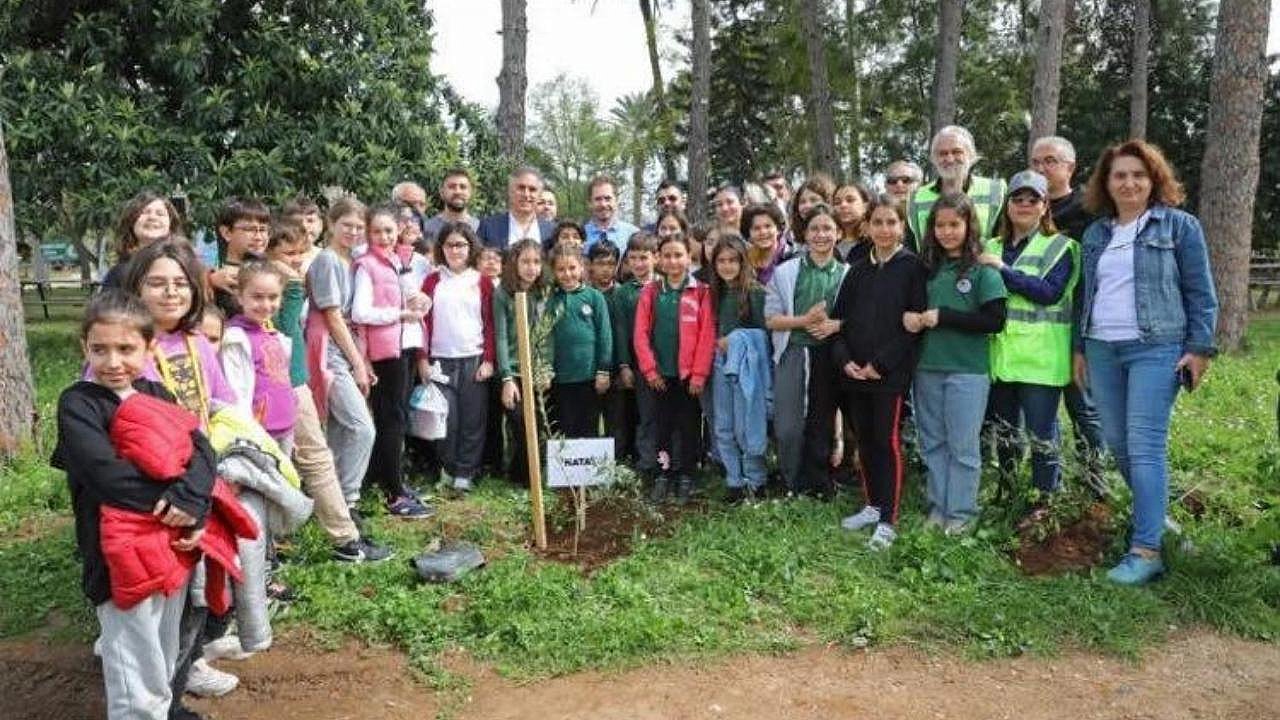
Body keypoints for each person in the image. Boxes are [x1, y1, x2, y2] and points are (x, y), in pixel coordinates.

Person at [56, 291, 218, 720]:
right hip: (116, 555)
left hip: (170, 546)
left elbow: (200, 451)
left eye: (126, 349)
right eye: (99, 349)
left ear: (149, 348)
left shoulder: (157, 392)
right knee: (132, 660)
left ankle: (162, 711)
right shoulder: (79, 403)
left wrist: (195, 503)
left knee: (163, 648)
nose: (112, 362)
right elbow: (105, 476)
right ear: (84, 347)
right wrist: (174, 504)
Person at [1073, 139, 1218, 585]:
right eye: (1120, 175)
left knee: (1145, 444)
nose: (1129, 182)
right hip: (1102, 348)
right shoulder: (1097, 233)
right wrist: (1079, 347)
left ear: (1154, 179)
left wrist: (1199, 347)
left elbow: (1201, 291)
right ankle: (1159, 522)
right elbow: (1085, 294)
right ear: (1107, 183)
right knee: (1116, 441)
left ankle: (1146, 549)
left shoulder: (1178, 226)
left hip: (1156, 347)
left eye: (1138, 174)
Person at [121, 239, 241, 710]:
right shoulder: (125, 344)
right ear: (136, 287)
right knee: (157, 603)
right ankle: (156, 697)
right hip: (152, 496)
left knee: (199, 597)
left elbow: (223, 405)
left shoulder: (197, 344)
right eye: (156, 283)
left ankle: (178, 683)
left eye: (180, 283)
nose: (170, 293)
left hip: (201, 483)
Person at [265, 220, 389, 563]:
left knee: (313, 454)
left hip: (295, 375)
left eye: (299, 253)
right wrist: (357, 362)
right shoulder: (287, 280)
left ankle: (342, 531)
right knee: (286, 460)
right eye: (287, 253)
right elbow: (313, 317)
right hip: (283, 378)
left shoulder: (301, 275)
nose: (295, 260)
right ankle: (333, 524)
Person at [903, 193, 1007, 534]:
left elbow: (994, 320)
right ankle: (939, 507)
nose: (947, 232)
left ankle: (961, 514)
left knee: (962, 446)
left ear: (968, 226)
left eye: (954, 225)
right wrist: (911, 319)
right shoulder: (925, 269)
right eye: (940, 225)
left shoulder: (981, 269)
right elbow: (911, 307)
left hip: (967, 370)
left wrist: (943, 317)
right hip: (927, 367)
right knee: (933, 442)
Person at [831, 195, 926, 549]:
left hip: (890, 375)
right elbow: (840, 322)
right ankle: (872, 505)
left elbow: (914, 327)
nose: (885, 229)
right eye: (878, 223)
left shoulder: (913, 268)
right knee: (866, 440)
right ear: (868, 227)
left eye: (892, 222)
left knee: (886, 443)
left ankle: (888, 519)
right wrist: (846, 362)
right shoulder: (856, 271)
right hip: (856, 374)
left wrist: (880, 365)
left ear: (902, 226)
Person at [979, 171, 1078, 499]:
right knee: (1006, 434)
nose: (1023, 205)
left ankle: (1045, 498)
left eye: (1032, 199)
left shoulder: (1061, 247)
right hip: (1000, 359)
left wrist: (1004, 272)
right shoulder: (990, 246)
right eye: (1017, 199)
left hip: (1040, 361)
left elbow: (1049, 293)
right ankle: (1006, 492)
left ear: (1045, 206)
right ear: (1007, 206)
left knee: (1042, 435)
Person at [1030, 135, 1105, 486]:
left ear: (1070, 167)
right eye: (1036, 162)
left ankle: (1095, 480)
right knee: (1040, 417)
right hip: (1036, 332)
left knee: (1084, 408)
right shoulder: (1025, 209)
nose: (1042, 168)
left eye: (1050, 161)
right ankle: (1046, 486)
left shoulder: (1089, 211)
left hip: (1078, 324)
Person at [351, 206, 433, 518]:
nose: (384, 237)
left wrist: (422, 302)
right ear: (369, 234)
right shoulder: (366, 265)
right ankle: (393, 493)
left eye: (389, 230)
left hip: (408, 346)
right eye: (378, 231)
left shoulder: (399, 260)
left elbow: (413, 300)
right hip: (387, 352)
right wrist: (399, 314)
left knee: (398, 419)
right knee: (391, 421)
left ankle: (392, 480)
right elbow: (361, 313)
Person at [765, 203, 847, 497]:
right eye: (814, 228)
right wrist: (805, 320)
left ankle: (819, 482)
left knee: (821, 422)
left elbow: (860, 318)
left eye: (827, 228)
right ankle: (791, 480)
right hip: (793, 352)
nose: (821, 234)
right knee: (788, 426)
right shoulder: (786, 272)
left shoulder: (849, 274)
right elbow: (771, 319)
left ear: (838, 233)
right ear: (805, 234)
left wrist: (834, 326)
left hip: (830, 356)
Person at [305, 197, 377, 517]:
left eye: (359, 227)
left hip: (342, 350)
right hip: (328, 351)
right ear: (331, 224)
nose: (353, 231)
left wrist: (361, 359)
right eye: (347, 225)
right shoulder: (328, 260)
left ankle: (329, 501)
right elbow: (333, 316)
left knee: (340, 428)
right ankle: (348, 498)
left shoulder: (350, 261)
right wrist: (358, 364)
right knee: (362, 428)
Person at [633, 232, 715, 505]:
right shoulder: (651, 292)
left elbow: (706, 336)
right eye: (667, 255)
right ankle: (663, 473)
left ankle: (686, 475)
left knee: (690, 426)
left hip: (689, 377)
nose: (673, 261)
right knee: (663, 426)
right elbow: (641, 334)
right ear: (659, 259)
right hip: (660, 376)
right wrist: (650, 370)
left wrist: (700, 373)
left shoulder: (701, 292)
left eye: (679, 255)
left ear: (689, 258)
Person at [418, 222, 496, 493]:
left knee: (473, 420)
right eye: (449, 245)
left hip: (473, 359)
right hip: (440, 360)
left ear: (470, 247)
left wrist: (489, 359)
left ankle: (466, 471)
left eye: (461, 244)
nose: (455, 250)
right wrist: (422, 359)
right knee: (445, 420)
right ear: (441, 248)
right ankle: (448, 468)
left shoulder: (482, 281)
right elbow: (422, 323)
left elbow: (490, 324)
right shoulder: (431, 281)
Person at [708, 236, 769, 502]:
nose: (727, 266)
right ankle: (734, 480)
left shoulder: (755, 292)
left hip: (747, 368)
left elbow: (765, 335)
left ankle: (755, 480)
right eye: (721, 261)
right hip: (719, 365)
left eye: (732, 260)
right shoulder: (714, 292)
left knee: (746, 425)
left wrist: (735, 340)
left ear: (742, 261)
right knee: (723, 425)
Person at [493, 239, 552, 487]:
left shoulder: (544, 292)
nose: (531, 267)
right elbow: (501, 335)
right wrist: (507, 377)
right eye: (525, 261)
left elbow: (548, 335)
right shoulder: (502, 293)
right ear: (514, 263)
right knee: (519, 422)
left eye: (536, 262)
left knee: (540, 423)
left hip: (538, 369)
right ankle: (520, 478)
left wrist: (546, 368)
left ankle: (536, 476)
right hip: (514, 369)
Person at [544, 245, 613, 438]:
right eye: (561, 269)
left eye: (572, 268)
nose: (567, 274)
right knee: (564, 425)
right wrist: (546, 370)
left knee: (588, 425)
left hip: (589, 376)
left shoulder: (594, 297)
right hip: (560, 377)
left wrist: (603, 370)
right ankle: (565, 467)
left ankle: (589, 467)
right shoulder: (551, 300)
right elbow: (545, 336)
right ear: (554, 272)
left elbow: (605, 335)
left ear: (582, 267)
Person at [906, 126, 1007, 252]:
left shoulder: (996, 191)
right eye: (942, 153)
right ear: (933, 159)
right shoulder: (916, 198)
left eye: (957, 152)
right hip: (932, 270)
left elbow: (1005, 239)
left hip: (981, 268)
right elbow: (913, 247)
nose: (949, 159)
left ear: (971, 155)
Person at [613, 232, 661, 478]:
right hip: (638, 364)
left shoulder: (666, 286)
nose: (639, 264)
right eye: (633, 259)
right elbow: (621, 331)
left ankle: (671, 461)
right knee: (646, 414)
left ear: (656, 258)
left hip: (667, 362)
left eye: (644, 258)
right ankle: (646, 463)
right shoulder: (623, 293)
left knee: (668, 413)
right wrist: (624, 365)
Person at [102, 192, 185, 289]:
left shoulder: (184, 268)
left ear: (171, 224)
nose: (152, 217)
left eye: (160, 214)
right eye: (144, 212)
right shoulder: (118, 274)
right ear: (131, 222)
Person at [207, 198, 272, 317]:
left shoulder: (274, 272)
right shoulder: (219, 280)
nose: (258, 237)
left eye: (263, 230)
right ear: (226, 233)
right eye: (249, 229)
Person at [478, 166, 557, 250]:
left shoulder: (552, 231)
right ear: (510, 191)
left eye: (532, 189)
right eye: (521, 188)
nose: (526, 194)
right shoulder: (488, 227)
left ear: (539, 195)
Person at [583, 174, 639, 250]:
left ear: (616, 200)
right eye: (598, 199)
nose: (603, 204)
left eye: (607, 198)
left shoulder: (633, 234)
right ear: (589, 203)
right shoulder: (579, 235)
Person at [422, 167, 480, 241]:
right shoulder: (427, 228)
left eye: (463, 187)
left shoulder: (480, 228)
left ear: (470, 192)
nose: (457, 191)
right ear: (442, 192)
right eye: (452, 187)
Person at [740, 202, 789, 285]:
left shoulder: (792, 257)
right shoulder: (744, 260)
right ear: (749, 233)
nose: (763, 232)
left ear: (778, 229)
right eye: (756, 228)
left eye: (768, 226)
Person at [833, 182, 873, 263]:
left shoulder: (875, 241)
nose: (843, 205)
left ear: (865, 206)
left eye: (850, 200)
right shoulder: (829, 241)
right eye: (837, 202)